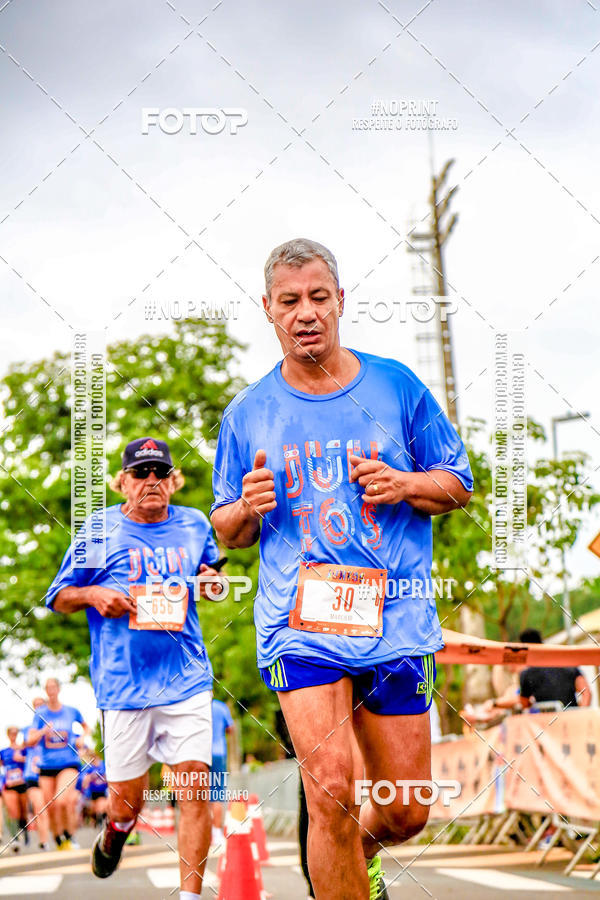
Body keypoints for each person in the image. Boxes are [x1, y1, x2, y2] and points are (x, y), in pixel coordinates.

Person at [210, 238, 473, 899]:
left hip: (395, 617)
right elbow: (227, 528)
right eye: (290, 300)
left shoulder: (396, 386)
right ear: (267, 309)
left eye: (319, 298)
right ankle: (333, 832)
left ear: (340, 303)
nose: (306, 312)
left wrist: (405, 483)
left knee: (407, 809)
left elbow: (458, 484)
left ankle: (352, 849)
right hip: (300, 622)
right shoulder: (247, 413)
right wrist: (246, 506)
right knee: (331, 788)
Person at [45, 436, 224, 900]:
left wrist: (212, 581)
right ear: (122, 482)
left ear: (174, 481)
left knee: (194, 790)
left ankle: (189, 895)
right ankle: (117, 828)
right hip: (124, 686)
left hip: (186, 679)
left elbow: (212, 575)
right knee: (129, 800)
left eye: (161, 473)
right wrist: (93, 594)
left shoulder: (193, 524)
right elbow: (58, 597)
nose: (151, 482)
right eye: (140, 473)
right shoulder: (96, 532)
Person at [27, 678, 88, 850]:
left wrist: (82, 737)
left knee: (61, 801)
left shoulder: (71, 711)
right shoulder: (40, 714)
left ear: (59, 689)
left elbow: (86, 727)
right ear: (46, 691)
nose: (51, 690)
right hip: (46, 766)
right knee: (51, 806)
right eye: (48, 688)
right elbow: (30, 740)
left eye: (54, 687)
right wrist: (43, 731)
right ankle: (58, 838)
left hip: (68, 762)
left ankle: (70, 835)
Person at [493, 628, 592, 711]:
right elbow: (586, 693)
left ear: (525, 649)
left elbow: (524, 703)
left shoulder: (527, 674)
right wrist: (581, 713)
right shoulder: (568, 665)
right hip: (570, 723)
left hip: (546, 726)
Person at [23, 696, 50, 850]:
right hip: (32, 776)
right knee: (40, 809)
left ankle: (61, 835)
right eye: (36, 706)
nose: (39, 709)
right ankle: (44, 841)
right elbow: (28, 742)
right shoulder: (29, 729)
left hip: (49, 772)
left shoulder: (55, 726)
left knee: (53, 807)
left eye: (41, 705)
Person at [209, 697, 235, 846]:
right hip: (218, 753)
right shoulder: (221, 707)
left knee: (202, 794)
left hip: (200, 753)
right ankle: (217, 833)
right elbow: (230, 728)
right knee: (217, 794)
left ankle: (204, 831)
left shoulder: (196, 705)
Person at [0, 727, 28, 852]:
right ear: (8, 735)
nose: (13, 735)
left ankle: (24, 829)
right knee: (12, 810)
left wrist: (21, 758)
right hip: (10, 784)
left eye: (15, 733)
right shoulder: (4, 751)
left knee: (23, 811)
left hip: (22, 783)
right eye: (11, 733)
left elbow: (32, 762)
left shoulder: (23, 749)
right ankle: (14, 838)